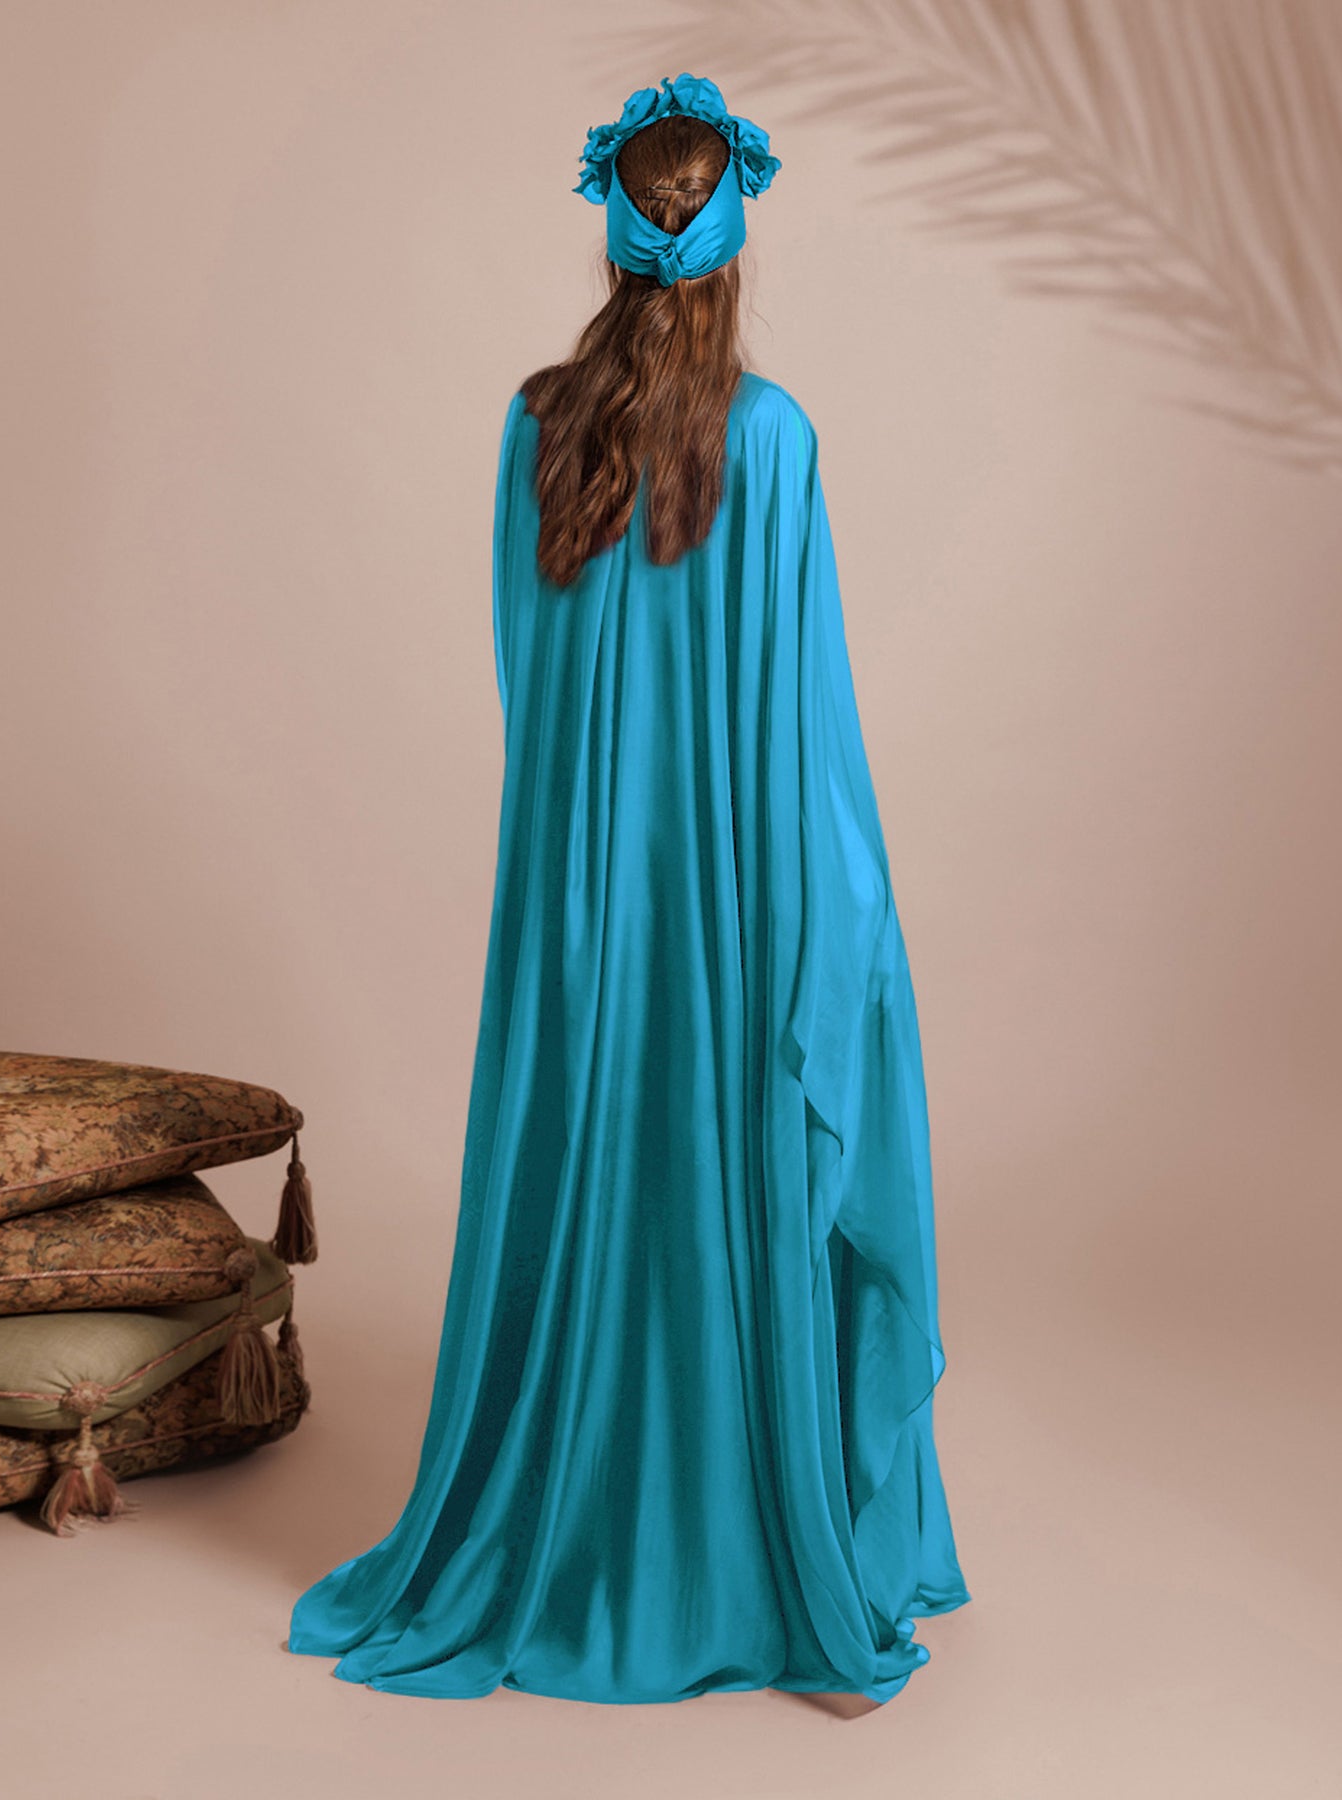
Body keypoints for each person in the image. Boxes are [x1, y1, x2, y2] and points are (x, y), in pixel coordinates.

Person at [287, 72, 971, 1706]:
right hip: (730, 903)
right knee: (733, 1154)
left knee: (588, 1149)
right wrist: (843, 919)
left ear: (614, 236)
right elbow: (803, 724)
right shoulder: (775, 439)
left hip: (583, 904)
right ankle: (740, 1538)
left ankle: (556, 1514)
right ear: (734, 242)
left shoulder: (537, 425)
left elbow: (530, 685)